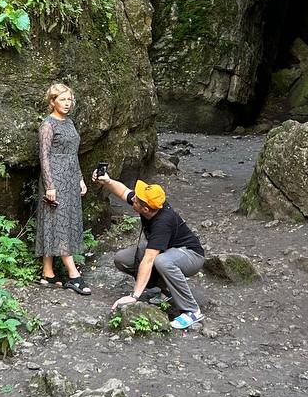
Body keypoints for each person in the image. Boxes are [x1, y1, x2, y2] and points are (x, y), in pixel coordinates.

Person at [92, 170, 205, 330]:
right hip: (167, 249)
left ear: (145, 209)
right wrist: (107, 181)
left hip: (190, 255)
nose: (133, 199)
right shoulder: (149, 204)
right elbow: (124, 191)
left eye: (136, 200)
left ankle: (192, 310)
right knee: (123, 259)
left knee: (161, 261)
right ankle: (166, 291)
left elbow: (149, 260)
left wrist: (134, 297)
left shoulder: (163, 222)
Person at [35, 81, 91, 296]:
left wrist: (80, 179)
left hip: (70, 177)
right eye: (62, 99)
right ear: (52, 101)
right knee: (57, 222)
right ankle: (74, 275)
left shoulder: (69, 122)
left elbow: (73, 154)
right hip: (54, 180)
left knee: (60, 221)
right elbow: (44, 156)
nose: (67, 103)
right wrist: (50, 186)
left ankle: (47, 273)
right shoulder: (48, 124)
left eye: (69, 99)